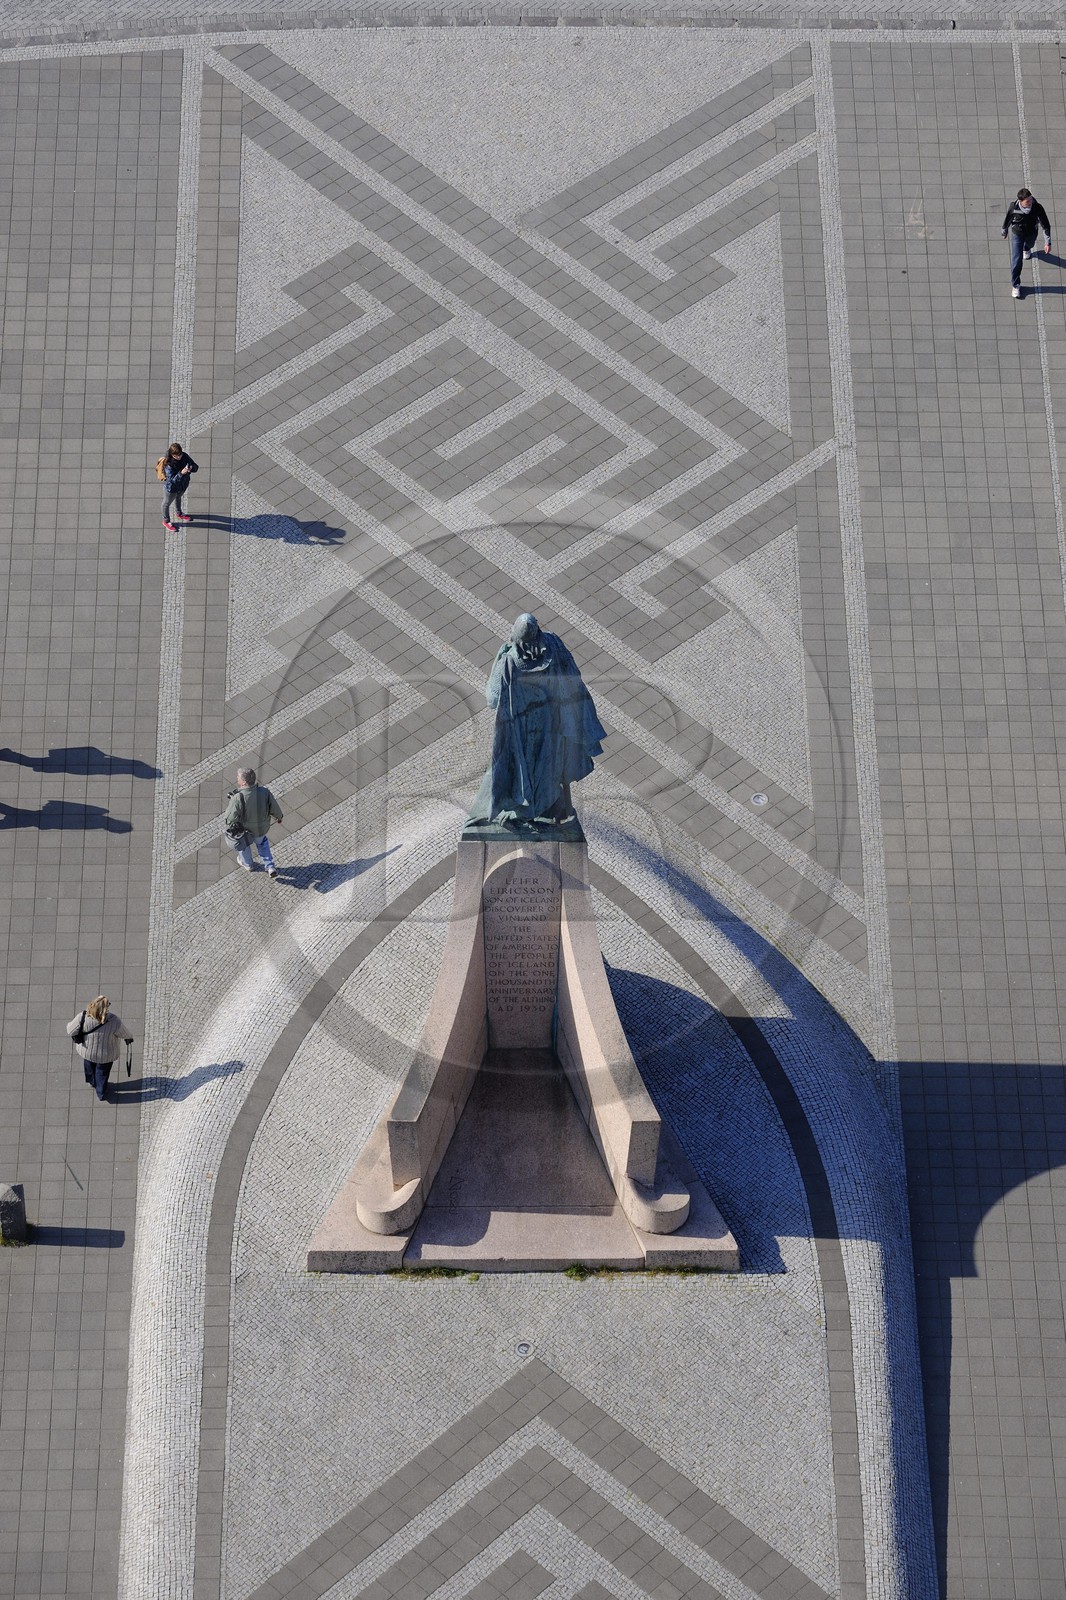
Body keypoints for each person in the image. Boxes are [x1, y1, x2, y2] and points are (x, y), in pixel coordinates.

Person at [467, 614, 605, 828]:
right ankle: (553, 804)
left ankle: (528, 809)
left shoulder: (510, 660)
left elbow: (492, 699)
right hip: (553, 720)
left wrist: (499, 658)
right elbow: (572, 676)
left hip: (523, 726)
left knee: (525, 767)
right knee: (550, 764)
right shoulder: (554, 644)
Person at [67, 996, 133, 1102]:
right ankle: (100, 1093)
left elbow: (70, 1030)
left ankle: (92, 1082)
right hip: (105, 1055)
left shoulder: (82, 1017)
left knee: (89, 1067)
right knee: (102, 1073)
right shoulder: (113, 1021)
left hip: (87, 1051)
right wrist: (130, 1038)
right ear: (105, 1009)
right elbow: (125, 1034)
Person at [225, 766, 283, 877]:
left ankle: (248, 865)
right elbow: (274, 807)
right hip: (261, 828)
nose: (237, 778)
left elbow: (230, 818)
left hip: (245, 831)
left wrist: (232, 803)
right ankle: (270, 866)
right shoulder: (264, 792)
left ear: (244, 782)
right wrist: (279, 817)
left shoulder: (238, 797)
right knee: (262, 844)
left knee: (244, 846)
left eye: (238, 777)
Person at [1001, 188, 1052, 299]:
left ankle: (1026, 248)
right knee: (1017, 259)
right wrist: (1004, 230)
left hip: (1031, 233)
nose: (1030, 202)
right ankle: (1016, 285)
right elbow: (1008, 219)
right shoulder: (1014, 207)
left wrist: (1047, 242)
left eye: (1031, 199)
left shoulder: (1037, 207)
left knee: (1030, 245)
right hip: (1017, 234)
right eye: (1028, 201)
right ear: (1021, 201)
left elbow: (1045, 224)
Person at [160, 442, 198, 532]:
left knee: (178, 497)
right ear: (172, 455)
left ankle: (179, 513)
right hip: (171, 488)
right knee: (166, 503)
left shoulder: (184, 456)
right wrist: (181, 473)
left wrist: (191, 468)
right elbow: (172, 480)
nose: (179, 457)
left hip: (183, 484)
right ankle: (166, 521)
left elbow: (196, 466)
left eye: (180, 454)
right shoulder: (168, 464)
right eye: (176, 456)